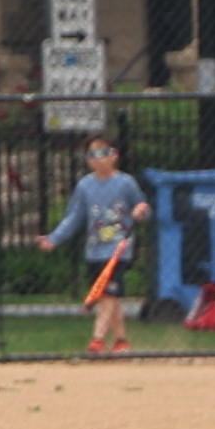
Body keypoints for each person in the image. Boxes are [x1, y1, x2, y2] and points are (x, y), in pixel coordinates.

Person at [45, 131, 153, 360]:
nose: (98, 158)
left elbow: (143, 207)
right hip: (94, 250)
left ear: (114, 155)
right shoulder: (85, 186)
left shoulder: (126, 182)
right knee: (108, 297)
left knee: (108, 293)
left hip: (119, 248)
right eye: (92, 153)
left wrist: (140, 211)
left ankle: (97, 338)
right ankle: (122, 341)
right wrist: (54, 238)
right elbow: (73, 217)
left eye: (103, 152)